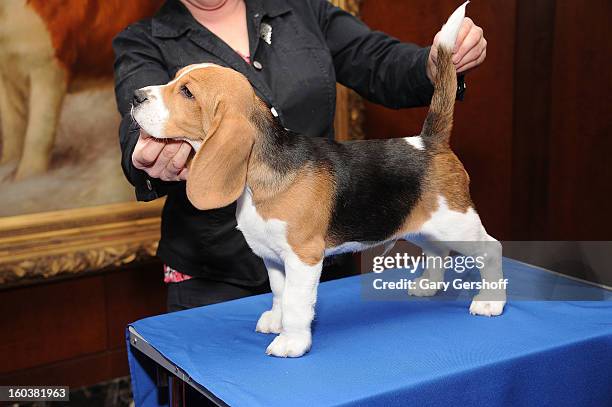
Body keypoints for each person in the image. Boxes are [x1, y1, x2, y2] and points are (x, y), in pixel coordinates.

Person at [113, 0, 487, 312]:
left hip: (324, 252)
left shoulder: (300, 6)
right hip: (215, 276)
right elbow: (138, 114)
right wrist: (143, 150)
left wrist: (435, 64)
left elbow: (376, 59)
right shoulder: (143, 39)